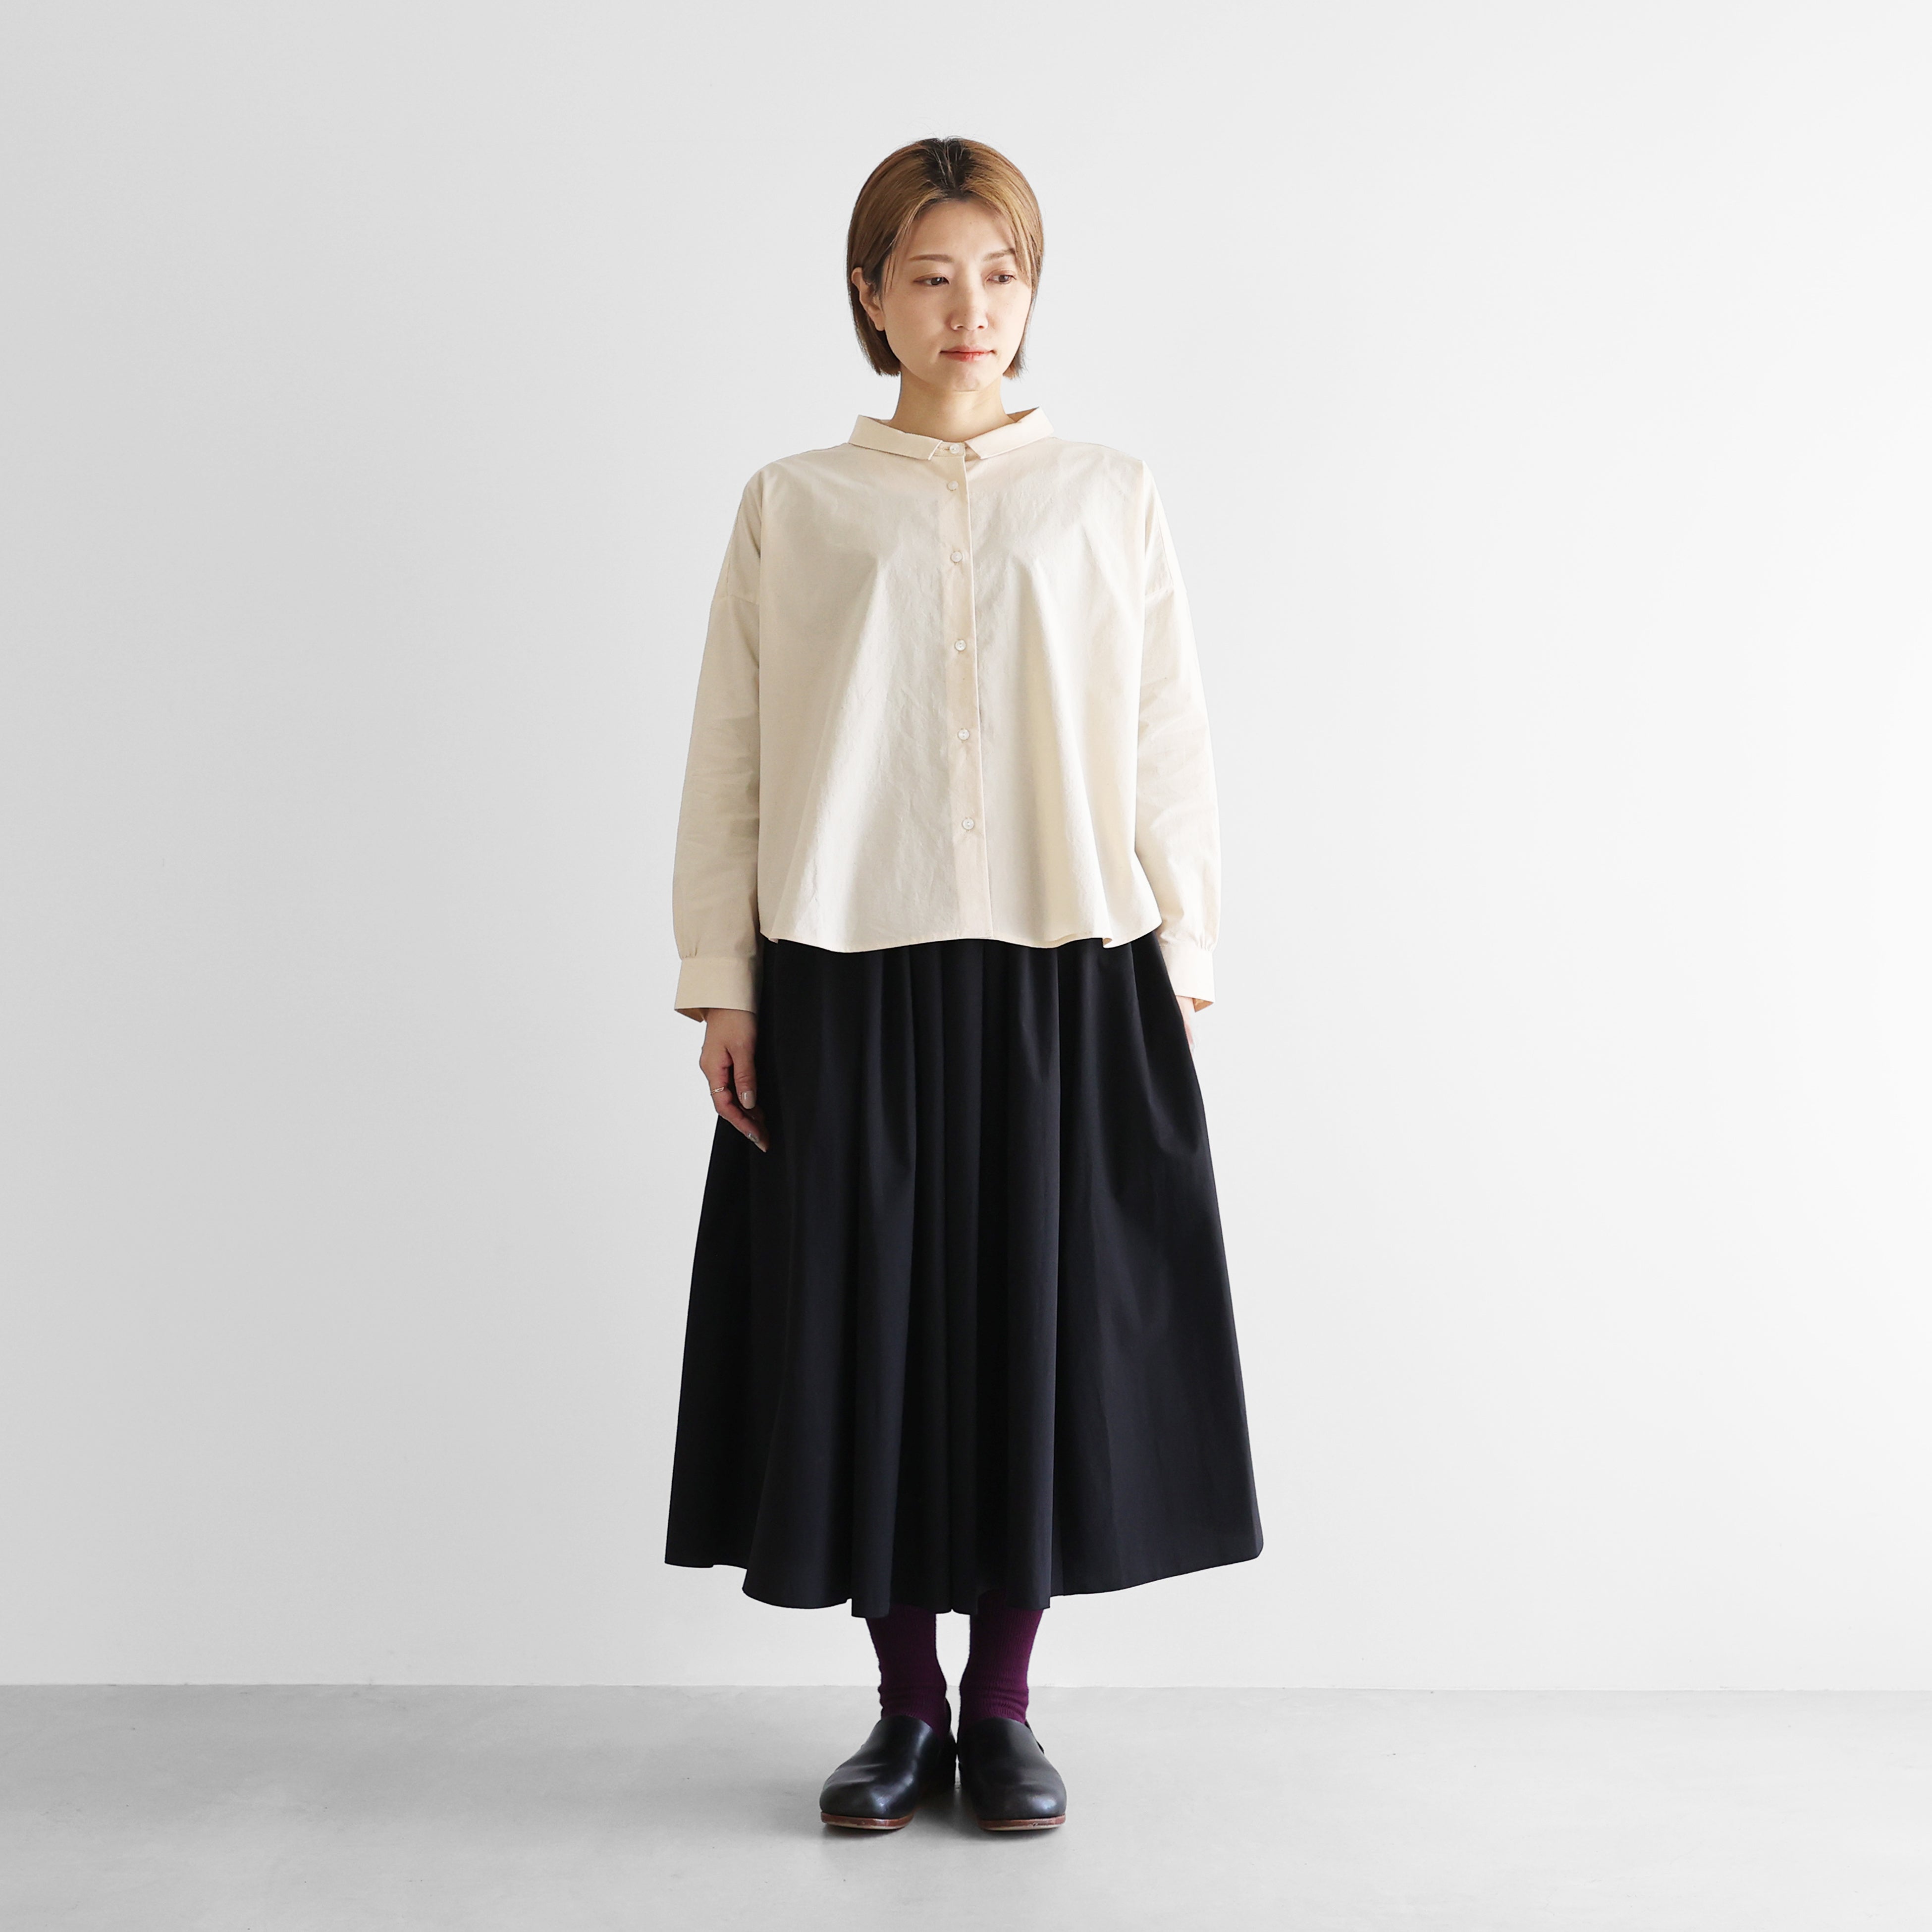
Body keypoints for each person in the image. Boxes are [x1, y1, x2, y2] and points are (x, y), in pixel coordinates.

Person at [663, 135, 1262, 1834]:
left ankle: (1000, 1707)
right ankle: (900, 1707)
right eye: (929, 275)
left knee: (1030, 1333)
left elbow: (1166, 731)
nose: (967, 308)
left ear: (1031, 287)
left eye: (998, 273)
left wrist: (1181, 953)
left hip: (1068, 966)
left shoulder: (1107, 493)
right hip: (842, 969)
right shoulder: (794, 503)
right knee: (869, 1337)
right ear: (870, 295)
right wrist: (722, 975)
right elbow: (729, 750)